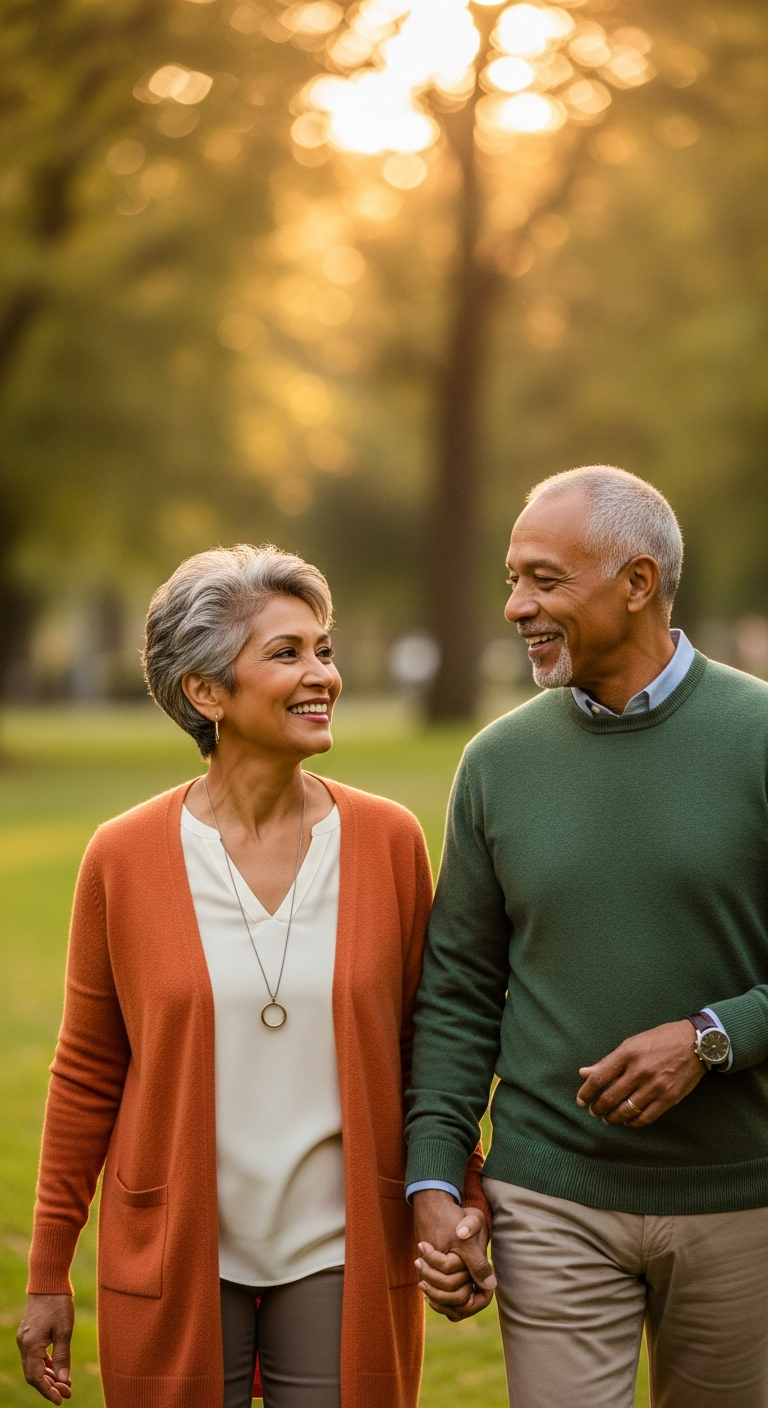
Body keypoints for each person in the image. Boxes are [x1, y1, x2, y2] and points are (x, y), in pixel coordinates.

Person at [17, 544, 485, 1408]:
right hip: (174, 1246)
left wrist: (460, 1194)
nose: (322, 675)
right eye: (287, 653)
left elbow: (429, 1045)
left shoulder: (388, 842)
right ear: (206, 692)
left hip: (342, 1247)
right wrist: (48, 1271)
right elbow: (86, 1072)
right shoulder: (122, 857)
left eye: (323, 650)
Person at [406, 466, 768, 1408]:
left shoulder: (760, 735)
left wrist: (711, 1037)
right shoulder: (496, 763)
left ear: (637, 582)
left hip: (745, 1199)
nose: (515, 606)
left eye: (544, 579)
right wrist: (435, 1179)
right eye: (512, 579)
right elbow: (457, 993)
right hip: (550, 1196)